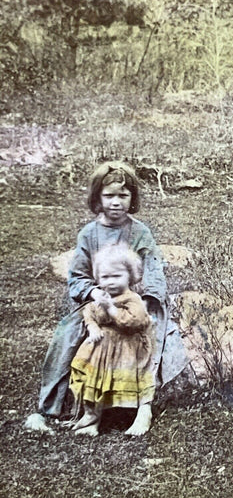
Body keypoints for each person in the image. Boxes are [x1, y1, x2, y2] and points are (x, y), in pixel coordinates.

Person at [25, 161, 188, 433]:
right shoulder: (89, 234)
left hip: (135, 301)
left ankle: (143, 407)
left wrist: (146, 302)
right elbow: (77, 277)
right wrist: (93, 291)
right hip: (99, 302)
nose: (116, 203)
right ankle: (51, 407)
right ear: (97, 198)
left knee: (153, 333)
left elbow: (154, 271)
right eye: (109, 196)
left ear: (132, 198)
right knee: (68, 334)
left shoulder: (140, 232)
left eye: (123, 196)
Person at [70, 245, 155, 436]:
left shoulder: (132, 299)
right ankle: (92, 419)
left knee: (131, 379)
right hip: (101, 349)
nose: (111, 282)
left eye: (117, 276)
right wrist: (92, 327)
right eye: (105, 277)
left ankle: (138, 415)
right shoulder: (102, 296)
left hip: (127, 348)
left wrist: (111, 309)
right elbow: (89, 311)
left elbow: (134, 321)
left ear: (130, 276)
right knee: (95, 379)